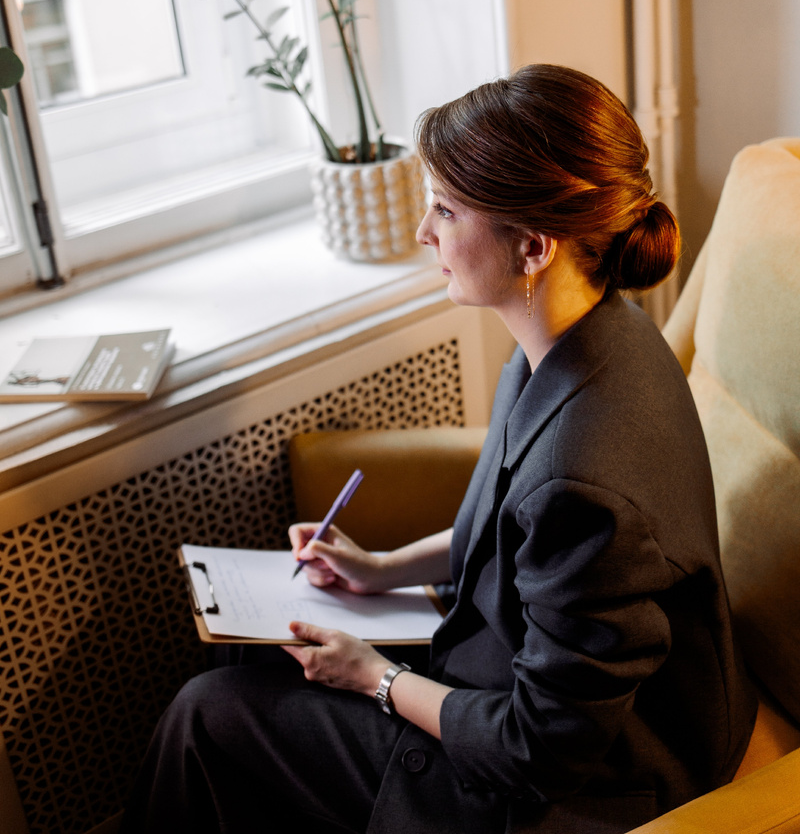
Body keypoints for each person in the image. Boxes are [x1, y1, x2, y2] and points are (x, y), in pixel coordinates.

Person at [121, 65, 756, 834]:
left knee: (206, 716)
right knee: (249, 652)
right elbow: (510, 537)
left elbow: (540, 749)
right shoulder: (587, 338)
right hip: (521, 679)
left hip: (586, 780)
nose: (425, 232)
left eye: (447, 210)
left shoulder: (583, 480)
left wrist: (376, 678)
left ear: (533, 247)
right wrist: (379, 569)